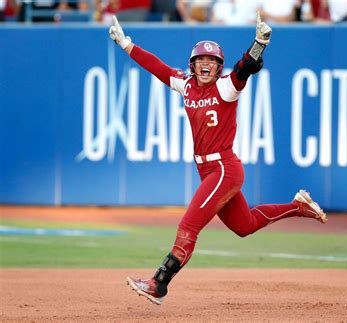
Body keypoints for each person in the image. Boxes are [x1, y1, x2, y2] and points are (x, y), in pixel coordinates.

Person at [109, 12, 328, 305]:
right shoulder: (185, 85)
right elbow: (158, 68)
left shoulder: (226, 86)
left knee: (189, 226)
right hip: (209, 169)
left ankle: (158, 284)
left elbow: (246, 66)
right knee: (244, 225)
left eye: (212, 61)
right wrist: (127, 45)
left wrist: (260, 42)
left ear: (218, 66)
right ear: (193, 63)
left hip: (223, 168)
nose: (206, 64)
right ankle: (298, 207)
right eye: (201, 60)